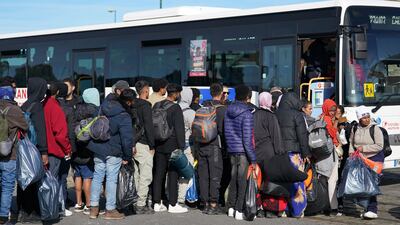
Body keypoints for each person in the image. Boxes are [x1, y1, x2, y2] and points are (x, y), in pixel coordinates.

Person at [87, 88, 134, 220]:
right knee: (111, 179)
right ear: (129, 102)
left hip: (98, 147)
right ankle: (110, 210)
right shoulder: (124, 116)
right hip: (114, 150)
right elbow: (127, 139)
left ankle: (93, 209)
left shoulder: (103, 108)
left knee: (97, 176)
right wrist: (127, 156)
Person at [152, 83, 187, 214]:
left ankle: (157, 202)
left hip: (158, 144)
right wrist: (181, 147)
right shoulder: (176, 108)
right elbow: (179, 130)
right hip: (172, 145)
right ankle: (172, 203)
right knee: (173, 174)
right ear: (176, 93)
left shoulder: (157, 105)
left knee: (159, 174)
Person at [18, 77, 49, 222]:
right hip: (34, 148)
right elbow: (41, 131)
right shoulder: (37, 106)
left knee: (24, 178)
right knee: (34, 179)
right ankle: (32, 213)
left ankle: (23, 211)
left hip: (23, 147)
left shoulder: (24, 105)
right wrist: (44, 152)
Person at [224, 84, 257, 221]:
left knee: (233, 179)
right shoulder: (247, 114)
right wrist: (253, 159)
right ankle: (239, 210)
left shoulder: (228, 110)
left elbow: (226, 131)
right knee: (242, 180)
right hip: (243, 152)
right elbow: (247, 140)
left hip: (232, 149)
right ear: (248, 97)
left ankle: (230, 208)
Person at [275, 92, 310, 218]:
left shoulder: (276, 113)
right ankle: (297, 210)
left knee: (282, 182)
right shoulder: (297, 114)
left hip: (279, 153)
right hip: (294, 153)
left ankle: (282, 209)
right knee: (297, 180)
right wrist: (306, 153)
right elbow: (302, 135)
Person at [43, 82, 73, 217]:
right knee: (54, 182)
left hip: (44, 149)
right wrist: (67, 149)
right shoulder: (55, 108)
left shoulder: (43, 104)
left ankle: (48, 208)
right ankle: (53, 210)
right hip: (54, 151)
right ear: (58, 93)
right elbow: (61, 133)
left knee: (47, 181)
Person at [349, 106, 384, 219]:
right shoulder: (355, 128)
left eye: (368, 117)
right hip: (360, 159)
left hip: (374, 159)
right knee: (362, 184)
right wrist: (351, 153)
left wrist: (363, 148)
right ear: (359, 118)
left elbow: (379, 146)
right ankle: (366, 207)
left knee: (371, 184)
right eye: (364, 117)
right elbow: (351, 142)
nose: (367, 119)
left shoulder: (375, 129)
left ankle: (372, 209)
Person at [254, 92, 285, 218]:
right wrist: (280, 153)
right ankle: (269, 209)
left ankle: (258, 207)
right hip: (269, 153)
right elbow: (276, 137)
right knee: (269, 181)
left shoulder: (253, 115)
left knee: (257, 180)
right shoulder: (271, 116)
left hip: (255, 153)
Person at [197, 83, 226, 215]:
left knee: (203, 174)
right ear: (221, 94)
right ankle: (214, 204)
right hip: (215, 145)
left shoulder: (204, 107)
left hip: (201, 144)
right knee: (215, 174)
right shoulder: (222, 109)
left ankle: (205, 203)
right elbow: (222, 130)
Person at [0, 86, 28, 224]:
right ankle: (3, 217)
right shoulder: (15, 110)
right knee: (7, 186)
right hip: (9, 155)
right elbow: (26, 126)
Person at [72, 88, 99, 215]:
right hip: (88, 149)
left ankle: (78, 203)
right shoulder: (95, 111)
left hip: (77, 149)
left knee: (77, 176)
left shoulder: (77, 109)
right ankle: (88, 204)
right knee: (88, 177)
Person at [132, 80, 155, 214]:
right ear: (145, 90)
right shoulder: (146, 105)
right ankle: (141, 204)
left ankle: (135, 201)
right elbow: (149, 126)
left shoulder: (132, 104)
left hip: (132, 144)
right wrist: (152, 145)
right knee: (146, 176)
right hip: (143, 143)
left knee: (136, 175)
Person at [318, 99, 340, 216]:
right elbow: (332, 133)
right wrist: (336, 121)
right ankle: (333, 207)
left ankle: (323, 205)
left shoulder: (320, 117)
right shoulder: (326, 119)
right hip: (329, 153)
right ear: (326, 109)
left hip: (320, 154)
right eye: (331, 110)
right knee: (332, 179)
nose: (332, 112)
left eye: (334, 110)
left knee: (323, 179)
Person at [177, 87, 195, 205]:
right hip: (187, 146)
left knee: (173, 173)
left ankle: (170, 194)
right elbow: (195, 131)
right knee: (186, 172)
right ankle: (180, 198)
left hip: (174, 145)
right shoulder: (190, 112)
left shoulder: (173, 108)